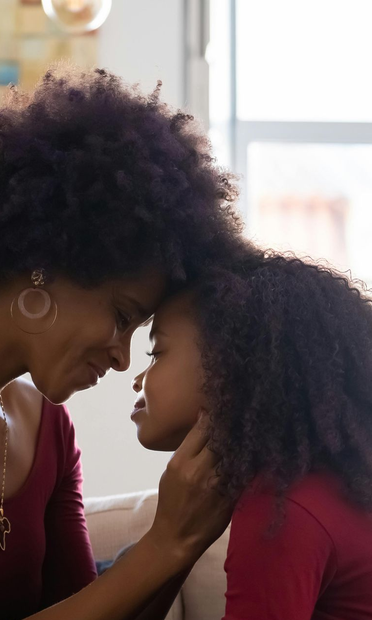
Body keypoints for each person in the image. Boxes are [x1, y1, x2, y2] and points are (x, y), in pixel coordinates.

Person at [0, 64, 245, 620]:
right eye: (121, 315)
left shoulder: (47, 429)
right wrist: (166, 543)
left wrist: (183, 541)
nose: (121, 358)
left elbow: (86, 608)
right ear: (47, 263)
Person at [132, 251, 372, 619]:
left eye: (156, 352)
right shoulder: (332, 485)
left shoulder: (280, 507)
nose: (136, 379)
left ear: (230, 368)